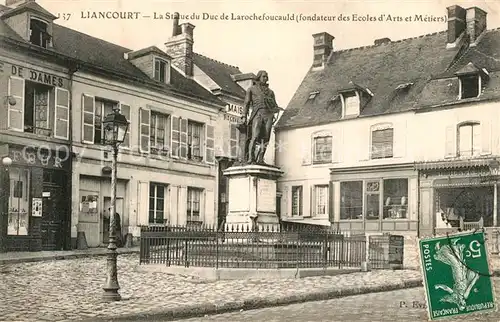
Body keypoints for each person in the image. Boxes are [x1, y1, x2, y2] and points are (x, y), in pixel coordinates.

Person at [240, 70, 282, 164]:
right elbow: (246, 103)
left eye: (267, 77)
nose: (265, 78)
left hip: (268, 115)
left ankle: (261, 159)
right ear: (259, 77)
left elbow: (275, 105)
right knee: (255, 136)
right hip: (257, 114)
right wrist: (244, 116)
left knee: (266, 138)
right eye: (264, 76)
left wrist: (276, 109)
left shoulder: (271, 92)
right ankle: (251, 158)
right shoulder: (251, 89)